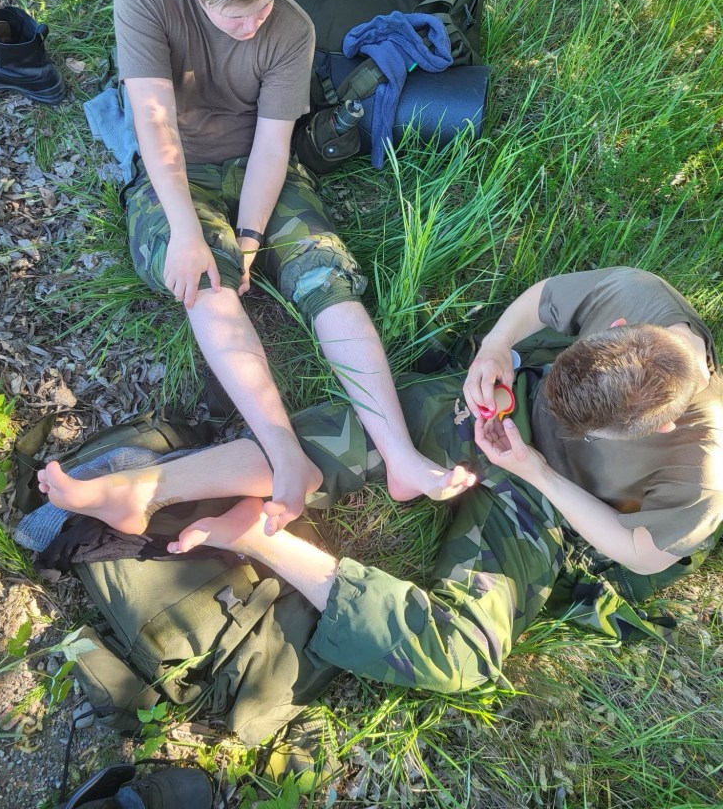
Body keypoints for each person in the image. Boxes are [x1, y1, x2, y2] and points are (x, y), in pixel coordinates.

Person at [38, 267, 723, 692]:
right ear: (621, 327)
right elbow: (544, 301)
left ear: (663, 427)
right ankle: (148, 488)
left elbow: (637, 551)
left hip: (548, 508)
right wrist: (494, 354)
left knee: (462, 654)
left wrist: (537, 470)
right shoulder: (638, 298)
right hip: (504, 405)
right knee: (344, 437)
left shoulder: (703, 471)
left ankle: (263, 540)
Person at [113, 0, 470, 539]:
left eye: (263, 6)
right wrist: (189, 234)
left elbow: (273, 145)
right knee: (209, 282)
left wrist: (251, 235)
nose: (256, 24)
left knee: (326, 276)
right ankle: (285, 459)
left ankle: (399, 457)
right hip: (176, 174)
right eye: (237, 17)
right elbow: (154, 124)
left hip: (259, 166)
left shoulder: (292, 26)